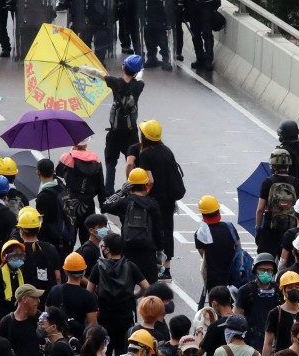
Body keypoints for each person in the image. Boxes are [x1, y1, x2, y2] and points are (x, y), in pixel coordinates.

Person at [77, 56, 145, 196]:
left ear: (123, 68)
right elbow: (139, 78)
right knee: (133, 162)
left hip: (114, 133)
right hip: (131, 133)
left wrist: (80, 68)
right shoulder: (139, 86)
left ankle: (108, 192)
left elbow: (96, 73)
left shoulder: (115, 82)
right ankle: (134, 189)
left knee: (110, 163)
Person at [134, 120, 184, 280]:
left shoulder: (145, 154)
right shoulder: (166, 151)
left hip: (154, 199)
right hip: (169, 198)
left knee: (151, 230)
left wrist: (143, 195)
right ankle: (167, 268)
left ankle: (154, 265)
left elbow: (150, 180)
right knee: (167, 230)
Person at [88, 233, 149, 356]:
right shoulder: (130, 266)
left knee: (104, 352)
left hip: (104, 317)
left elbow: (89, 292)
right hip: (125, 317)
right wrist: (135, 295)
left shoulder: (98, 267)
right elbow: (146, 287)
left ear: (108, 249)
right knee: (123, 353)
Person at [102, 168, 163, 285]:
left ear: (129, 186)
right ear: (146, 186)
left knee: (127, 286)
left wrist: (121, 192)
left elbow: (105, 205)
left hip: (128, 250)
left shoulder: (124, 203)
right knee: (150, 289)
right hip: (148, 252)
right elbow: (158, 230)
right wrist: (160, 251)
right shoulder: (152, 204)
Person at [255, 147, 299, 257]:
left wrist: (258, 227)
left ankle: (266, 275)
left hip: (270, 227)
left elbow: (260, 209)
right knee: (289, 260)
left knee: (265, 259)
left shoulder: (268, 182)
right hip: (290, 228)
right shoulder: (296, 183)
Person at [263, 271, 299, 356]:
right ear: (283, 291)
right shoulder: (275, 313)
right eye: (290, 288)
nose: (294, 290)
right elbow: (268, 343)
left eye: (297, 287)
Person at [235, 253, 280, 352]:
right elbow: (237, 316)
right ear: (255, 270)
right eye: (262, 270)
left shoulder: (278, 290)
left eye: (269, 270)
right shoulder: (245, 291)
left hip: (275, 339)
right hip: (252, 339)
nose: (265, 273)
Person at [195, 194, 239, 293]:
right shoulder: (229, 227)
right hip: (232, 274)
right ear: (218, 211)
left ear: (202, 214)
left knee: (216, 304)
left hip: (213, 277)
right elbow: (238, 247)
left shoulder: (200, 234)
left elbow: (203, 255)